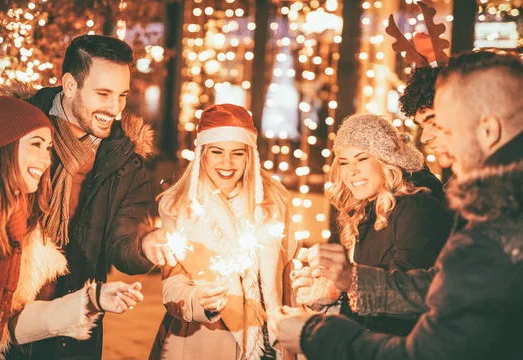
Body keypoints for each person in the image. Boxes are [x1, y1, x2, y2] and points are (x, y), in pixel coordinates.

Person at [0, 35, 176, 358]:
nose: (114, 109)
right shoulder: (13, 124)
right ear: (70, 85)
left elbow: (122, 241)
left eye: (122, 96)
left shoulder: (125, 160)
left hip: (69, 329)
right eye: (103, 94)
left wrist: (144, 243)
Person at [271, 50, 523, 359]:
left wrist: (315, 333)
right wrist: (349, 281)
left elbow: (430, 351)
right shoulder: (493, 202)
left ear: (488, 130)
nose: (432, 140)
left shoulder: (501, 217)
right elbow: (439, 287)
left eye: (444, 128)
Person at [149, 104, 297, 360]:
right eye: (217, 152)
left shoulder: (274, 201)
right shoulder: (178, 205)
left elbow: (288, 273)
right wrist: (197, 299)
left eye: (237, 153)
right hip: (207, 342)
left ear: (249, 155)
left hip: (269, 344)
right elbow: (172, 285)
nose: (227, 163)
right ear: (203, 154)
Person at [292, 114, 452, 335]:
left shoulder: (417, 208)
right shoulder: (365, 210)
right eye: (344, 162)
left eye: (362, 159)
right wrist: (333, 293)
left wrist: (346, 283)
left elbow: (410, 299)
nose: (352, 171)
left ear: (386, 160)